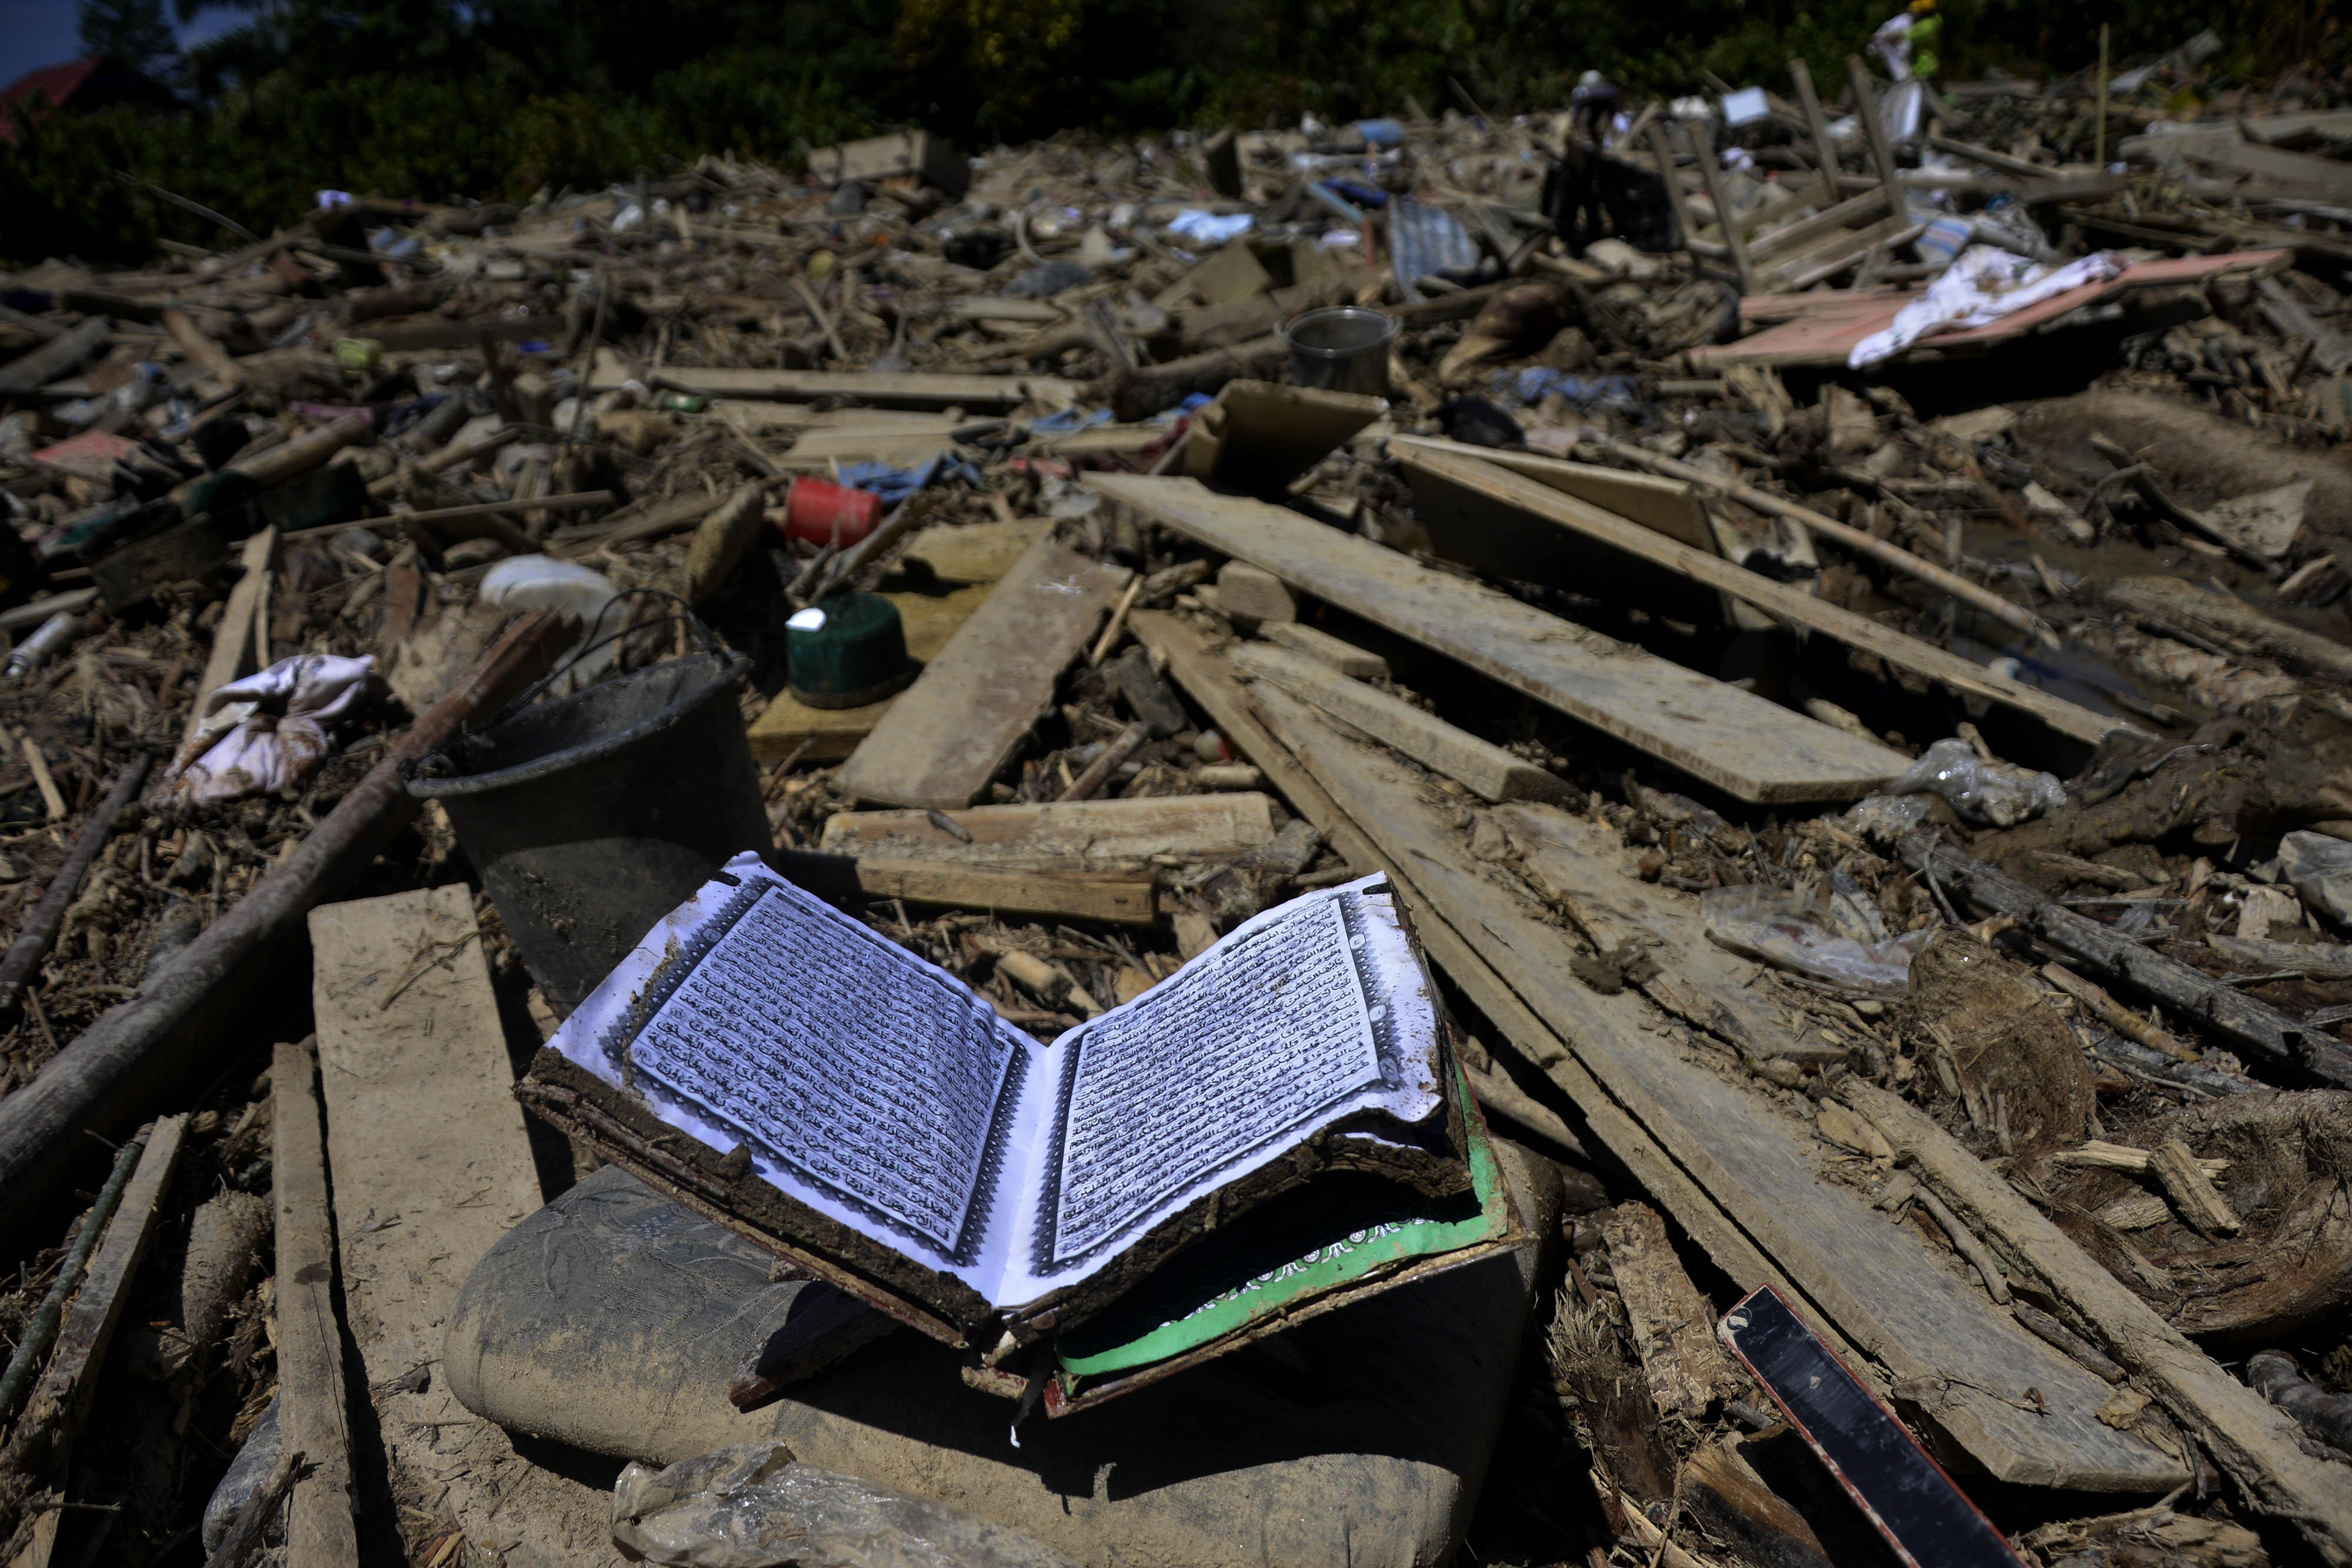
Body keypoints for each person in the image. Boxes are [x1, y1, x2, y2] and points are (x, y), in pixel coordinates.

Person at [1871, 0, 1941, 83]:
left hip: (1925, 69)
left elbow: (1900, 36)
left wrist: (1879, 37)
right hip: (1927, 68)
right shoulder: (1934, 21)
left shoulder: (1926, 27)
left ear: (1924, 13)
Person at [1569, 70, 1622, 147]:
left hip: (1602, 105)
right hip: (1609, 105)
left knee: (1591, 124)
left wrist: (1575, 119)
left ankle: (1597, 143)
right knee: (1593, 124)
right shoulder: (1610, 88)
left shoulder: (1583, 90)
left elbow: (1578, 106)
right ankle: (1598, 143)